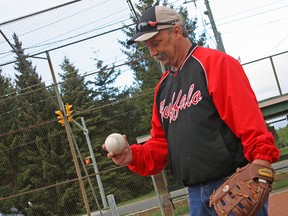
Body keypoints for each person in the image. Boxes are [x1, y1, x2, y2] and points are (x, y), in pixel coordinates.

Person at [103, 5, 280, 216]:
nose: (153, 52)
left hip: (232, 185)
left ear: (177, 31)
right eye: (148, 47)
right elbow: (161, 145)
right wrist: (132, 155)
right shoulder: (163, 88)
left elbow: (248, 121)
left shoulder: (215, 64)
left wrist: (262, 160)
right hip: (196, 195)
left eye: (156, 43)